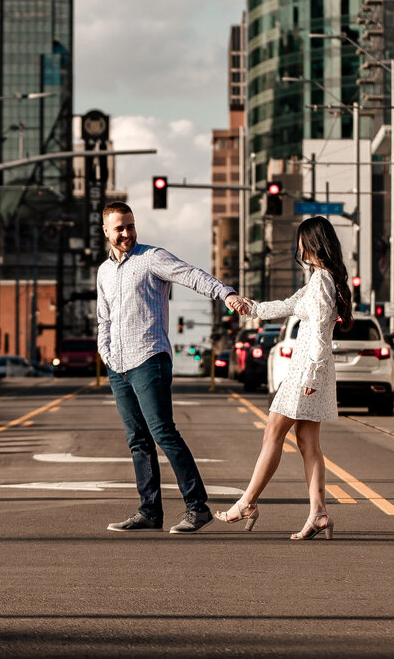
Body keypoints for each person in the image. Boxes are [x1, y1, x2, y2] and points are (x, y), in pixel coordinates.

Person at [97, 201, 251, 535]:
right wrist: (105, 352)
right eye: (119, 228)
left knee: (163, 433)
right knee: (137, 440)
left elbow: (190, 274)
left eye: (130, 225)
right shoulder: (104, 272)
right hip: (119, 365)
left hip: (149, 358)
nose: (126, 233)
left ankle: (198, 508)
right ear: (106, 231)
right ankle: (149, 511)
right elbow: (103, 318)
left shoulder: (152, 258)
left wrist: (225, 294)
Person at [215, 216, 351, 540]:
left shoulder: (321, 282)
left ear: (313, 243)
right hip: (309, 369)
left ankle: (247, 502)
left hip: (307, 370)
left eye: (302, 241)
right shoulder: (321, 278)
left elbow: (319, 333)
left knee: (274, 430)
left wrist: (312, 376)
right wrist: (253, 307)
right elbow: (289, 305)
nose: (298, 247)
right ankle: (318, 513)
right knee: (307, 441)